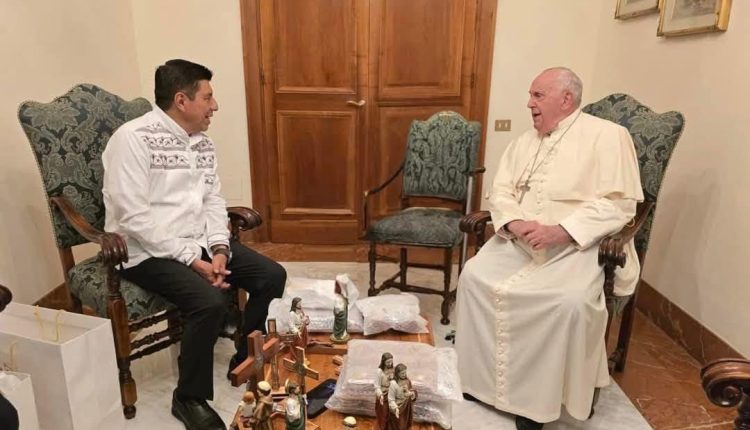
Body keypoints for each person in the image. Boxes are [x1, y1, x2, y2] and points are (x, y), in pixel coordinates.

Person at [102, 59, 286, 430]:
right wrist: (192, 259)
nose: (214, 106)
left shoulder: (202, 143)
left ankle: (244, 358)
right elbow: (134, 218)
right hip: (143, 249)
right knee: (209, 301)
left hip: (197, 240)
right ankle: (188, 397)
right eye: (208, 97)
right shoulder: (132, 139)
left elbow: (212, 200)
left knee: (271, 275)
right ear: (182, 100)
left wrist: (219, 248)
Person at [454, 67, 643, 430]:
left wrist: (562, 232)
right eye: (531, 96)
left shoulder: (608, 136)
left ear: (566, 99)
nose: (529, 103)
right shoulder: (524, 142)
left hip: (578, 247)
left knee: (566, 302)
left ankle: (534, 403)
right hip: (520, 243)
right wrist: (513, 223)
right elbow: (501, 191)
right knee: (474, 276)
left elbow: (620, 205)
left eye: (537, 95)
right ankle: (479, 382)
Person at [386, 363, 417, 430]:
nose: (404, 375)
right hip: (396, 408)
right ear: (397, 373)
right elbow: (391, 398)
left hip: (406, 408)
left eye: (405, 373)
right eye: (402, 373)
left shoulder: (407, 381)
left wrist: (411, 393)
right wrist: (395, 408)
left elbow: (411, 391)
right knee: (398, 425)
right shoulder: (393, 383)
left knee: (405, 425)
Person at [373, 352, 395, 430]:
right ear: (383, 362)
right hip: (383, 395)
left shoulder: (393, 370)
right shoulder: (379, 371)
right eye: (388, 362)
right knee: (384, 413)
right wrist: (380, 394)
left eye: (391, 362)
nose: (390, 364)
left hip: (392, 394)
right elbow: (377, 385)